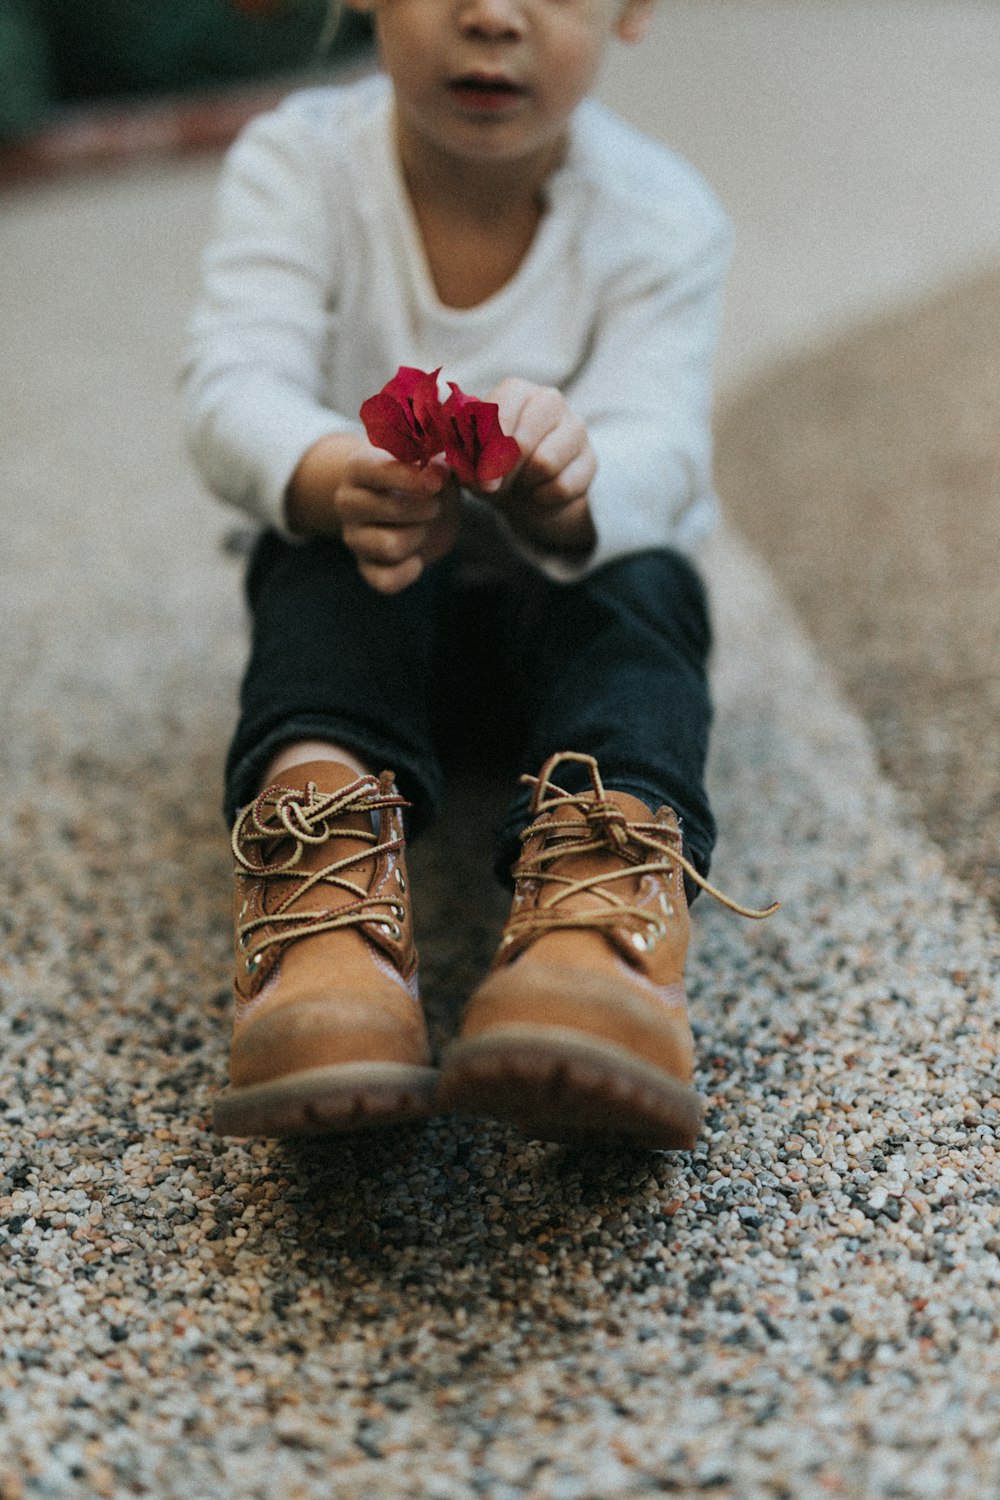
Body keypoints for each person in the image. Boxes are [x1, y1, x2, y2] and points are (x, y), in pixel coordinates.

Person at [182, 0, 776, 1152]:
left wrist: (573, 484)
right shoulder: (295, 163)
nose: (490, 16)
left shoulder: (662, 215)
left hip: (560, 647)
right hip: (371, 623)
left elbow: (666, 444)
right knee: (311, 553)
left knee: (645, 582)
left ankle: (598, 928)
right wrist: (328, 474)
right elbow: (228, 381)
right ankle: (321, 920)